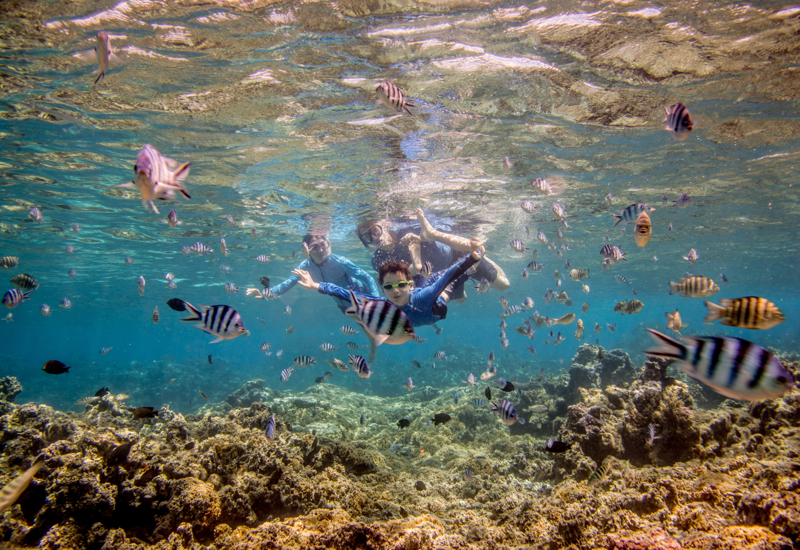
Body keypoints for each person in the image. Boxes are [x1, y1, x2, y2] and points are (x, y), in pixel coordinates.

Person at [292, 247, 483, 328]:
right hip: (419, 292)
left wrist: (470, 258)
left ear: (409, 285)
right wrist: (315, 284)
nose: (395, 291)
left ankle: (470, 264)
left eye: (400, 285)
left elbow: (449, 275)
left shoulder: (425, 296)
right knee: (429, 279)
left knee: (443, 282)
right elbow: (345, 293)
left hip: (434, 303)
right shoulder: (381, 303)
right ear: (382, 290)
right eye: (389, 287)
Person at [356, 209, 509, 297]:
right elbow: (400, 279)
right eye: (367, 237)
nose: (375, 238)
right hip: (441, 274)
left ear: (384, 226)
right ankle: (465, 275)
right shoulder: (378, 260)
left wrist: (420, 240)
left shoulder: (407, 229)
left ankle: (483, 258)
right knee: (461, 299)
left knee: (503, 285)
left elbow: (449, 241)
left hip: (456, 256)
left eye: (375, 231)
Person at [248, 234, 381, 313]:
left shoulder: (340, 261)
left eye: (323, 244)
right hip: (344, 308)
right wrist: (264, 294)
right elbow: (286, 285)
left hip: (364, 299)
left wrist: (377, 300)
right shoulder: (305, 266)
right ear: (307, 250)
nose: (321, 249)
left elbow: (367, 277)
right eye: (315, 246)